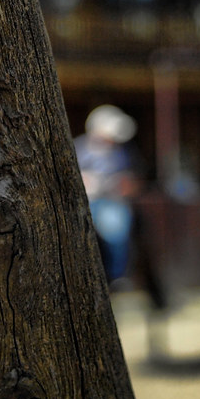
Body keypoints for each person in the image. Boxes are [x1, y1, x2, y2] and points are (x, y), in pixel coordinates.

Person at [74, 104, 139, 283]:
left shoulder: (122, 153)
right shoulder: (80, 148)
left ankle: (116, 277)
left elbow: (132, 182)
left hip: (112, 202)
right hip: (85, 202)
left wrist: (119, 185)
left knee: (116, 232)